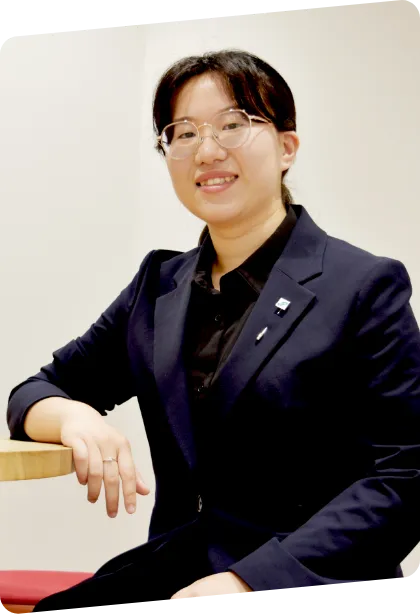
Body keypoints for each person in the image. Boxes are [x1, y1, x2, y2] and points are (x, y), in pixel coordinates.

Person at [7, 48, 420, 608]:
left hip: (308, 578)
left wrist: (250, 582)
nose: (206, 150)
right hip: (181, 565)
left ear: (287, 147)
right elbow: (34, 392)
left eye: (233, 124)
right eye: (183, 133)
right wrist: (73, 416)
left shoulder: (362, 285)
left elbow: (405, 475)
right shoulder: (158, 286)